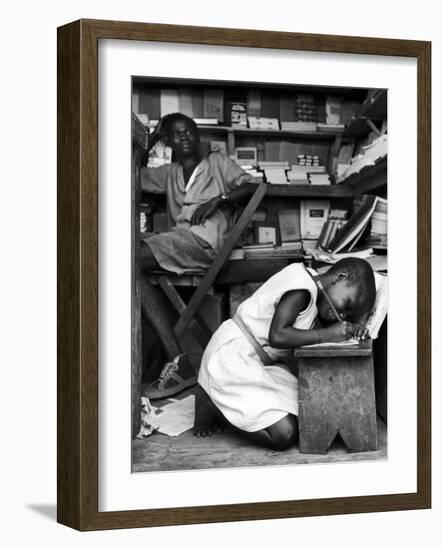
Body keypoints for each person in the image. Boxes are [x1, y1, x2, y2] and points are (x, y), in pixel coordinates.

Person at [194, 257, 376, 450]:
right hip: (231, 359)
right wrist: (327, 334)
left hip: (256, 364)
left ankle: (224, 402)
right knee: (284, 434)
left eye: (348, 315)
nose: (342, 315)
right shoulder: (301, 289)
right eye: (346, 305)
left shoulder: (314, 290)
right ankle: (213, 404)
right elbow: (278, 336)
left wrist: (353, 329)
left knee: (310, 412)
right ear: (340, 277)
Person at [138, 113, 258, 399]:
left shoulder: (217, 163)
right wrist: (149, 142)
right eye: (177, 135)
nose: (185, 138)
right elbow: (133, 176)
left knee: (128, 260)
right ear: (168, 143)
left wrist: (221, 199)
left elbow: (253, 186)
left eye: (190, 132)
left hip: (203, 244)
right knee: (128, 260)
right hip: (179, 243)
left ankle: (178, 360)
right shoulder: (169, 172)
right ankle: (173, 359)